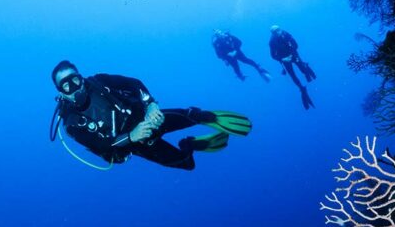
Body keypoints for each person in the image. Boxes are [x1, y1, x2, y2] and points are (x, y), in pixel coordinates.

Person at [49, 61, 252, 170]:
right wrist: (132, 136)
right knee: (186, 164)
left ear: (81, 78)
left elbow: (133, 83)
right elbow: (101, 146)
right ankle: (189, 144)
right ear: (60, 92)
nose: (73, 88)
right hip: (136, 144)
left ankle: (205, 117)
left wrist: (151, 105)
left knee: (194, 115)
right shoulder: (71, 123)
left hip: (146, 118)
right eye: (65, 86)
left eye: (74, 80)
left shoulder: (99, 81)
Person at [269, 25, 316, 109]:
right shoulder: (272, 41)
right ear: (273, 33)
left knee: (302, 69)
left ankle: (306, 68)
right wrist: (283, 59)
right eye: (275, 31)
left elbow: (296, 45)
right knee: (293, 75)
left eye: (278, 30)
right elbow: (273, 55)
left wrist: (292, 54)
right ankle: (302, 89)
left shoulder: (286, 34)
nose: (278, 32)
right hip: (284, 59)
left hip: (293, 54)